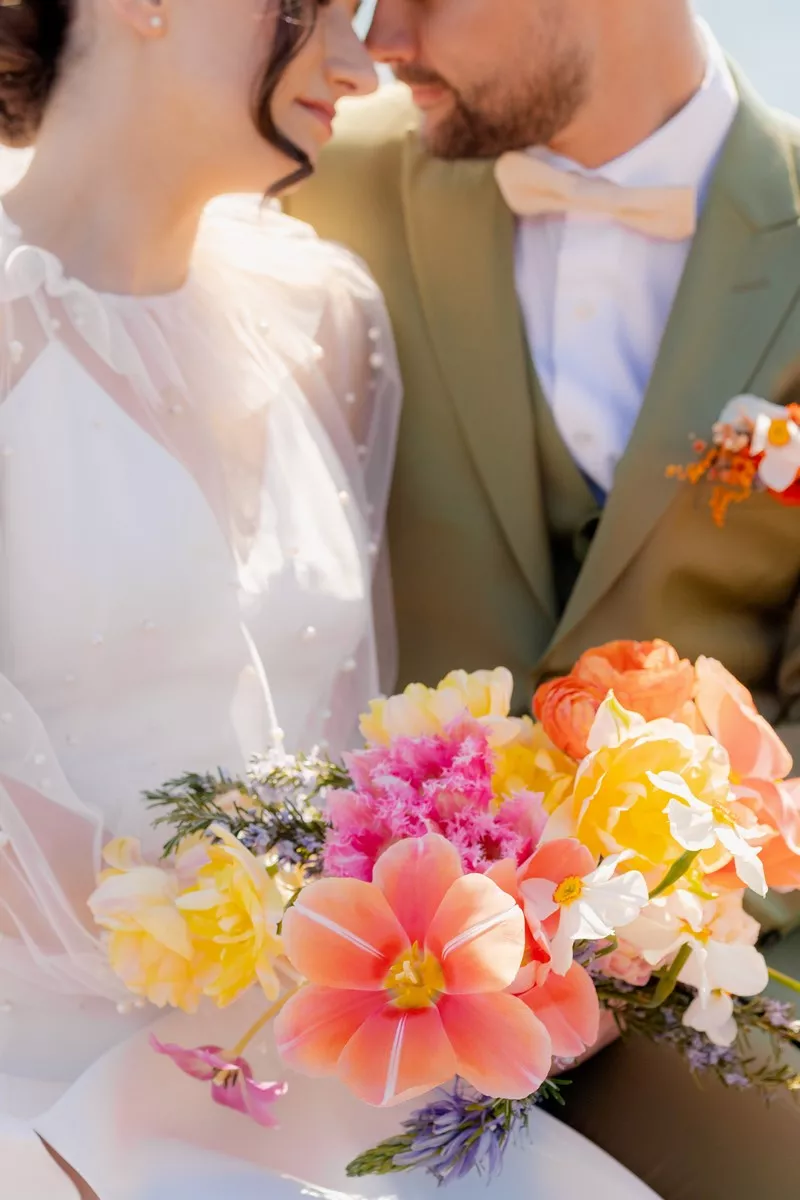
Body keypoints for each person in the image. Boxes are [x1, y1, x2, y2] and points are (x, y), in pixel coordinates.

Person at [0, 2, 660, 1199]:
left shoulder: (320, 315)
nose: (357, 68)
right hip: (39, 1079)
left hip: (316, 1061)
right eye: (307, 11)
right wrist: (275, 924)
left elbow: (345, 734)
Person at [282, 1, 800, 1197]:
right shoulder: (310, 182)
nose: (380, 37)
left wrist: (662, 920)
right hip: (371, 979)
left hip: (731, 971)